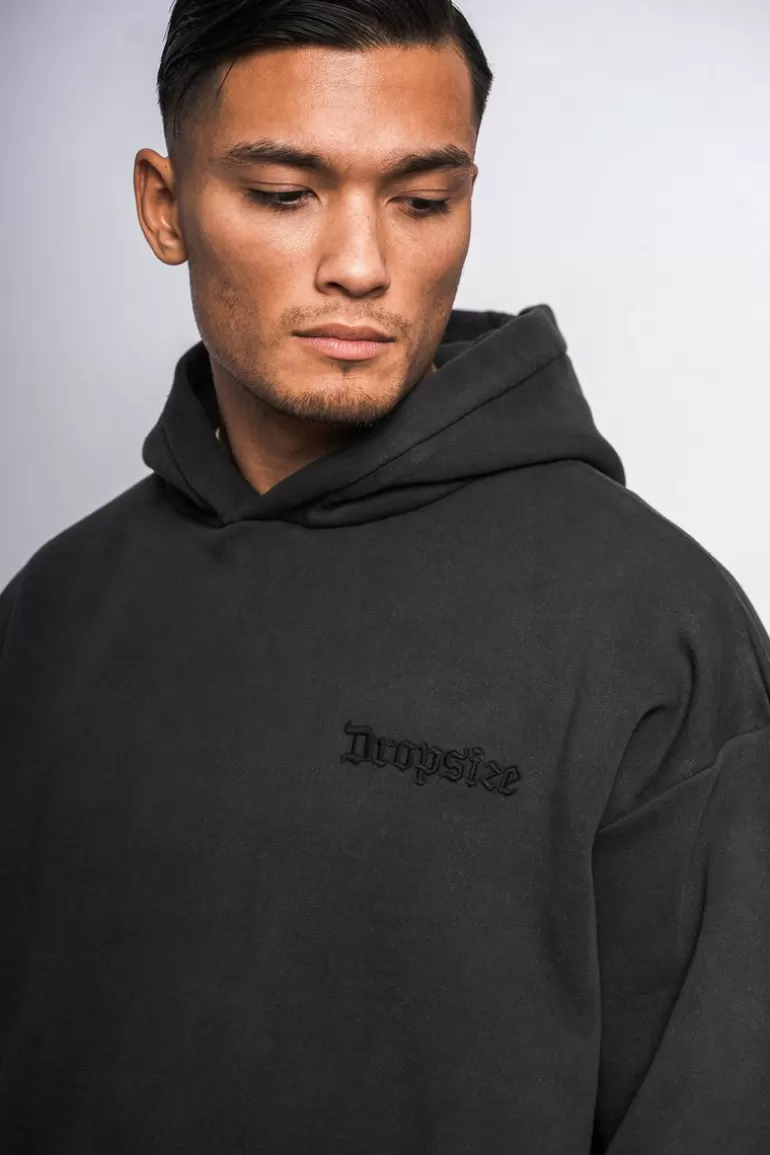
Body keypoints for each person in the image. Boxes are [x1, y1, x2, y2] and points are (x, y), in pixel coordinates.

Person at [0, 1, 768, 1151]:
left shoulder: (654, 628)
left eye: (421, 201)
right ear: (165, 207)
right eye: (283, 195)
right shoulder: (49, 611)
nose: (360, 267)